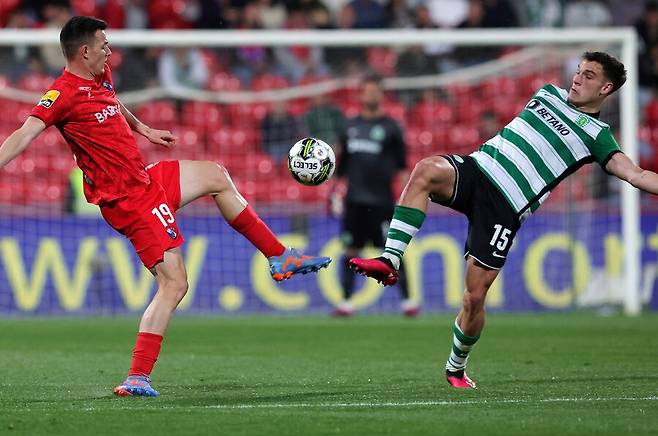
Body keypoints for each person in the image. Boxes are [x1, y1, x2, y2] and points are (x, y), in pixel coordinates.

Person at [0, 16, 331, 397]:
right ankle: (137, 376)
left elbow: (113, 103)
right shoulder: (62, 94)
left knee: (216, 175)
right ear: (84, 50)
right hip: (127, 200)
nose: (110, 50)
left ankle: (279, 257)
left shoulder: (100, 75)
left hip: (144, 178)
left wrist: (143, 129)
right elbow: (25, 133)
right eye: (103, 44)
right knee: (175, 283)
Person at [350, 52, 658, 388]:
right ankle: (390, 259)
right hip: (479, 170)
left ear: (606, 87)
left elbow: (636, 174)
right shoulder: (547, 94)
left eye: (588, 75)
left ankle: (456, 367)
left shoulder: (597, 135)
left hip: (505, 207)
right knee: (425, 169)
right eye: (578, 71)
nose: (577, 78)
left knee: (474, 297)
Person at [332, 74, 418, 317]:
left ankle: (408, 302)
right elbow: (341, 167)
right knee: (350, 251)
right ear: (360, 94)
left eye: (375, 91)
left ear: (381, 94)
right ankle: (346, 302)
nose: (370, 95)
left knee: (393, 252)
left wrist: (406, 199)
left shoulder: (391, 127)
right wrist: (334, 193)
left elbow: (402, 168)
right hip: (354, 201)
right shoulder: (348, 127)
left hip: (381, 202)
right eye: (366, 91)